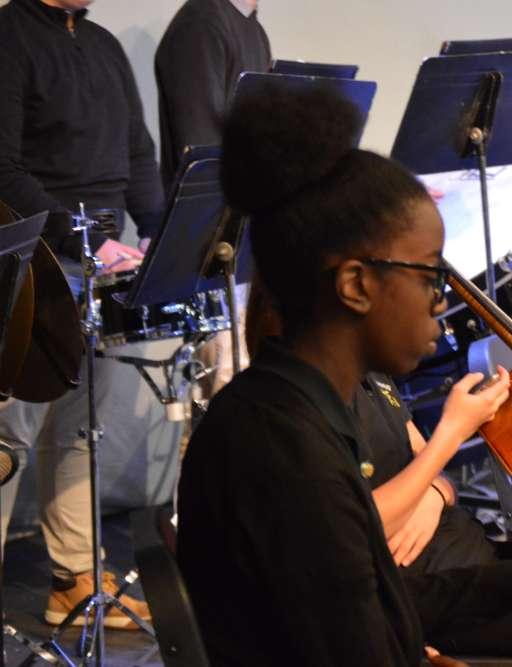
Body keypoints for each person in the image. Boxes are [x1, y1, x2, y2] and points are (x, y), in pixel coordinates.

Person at [177, 78, 512, 666]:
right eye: (431, 274)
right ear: (356, 285)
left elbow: (369, 596)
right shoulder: (280, 448)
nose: (442, 300)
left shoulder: (304, 407)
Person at [0, 0, 162, 628]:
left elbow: (139, 157)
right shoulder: (10, 36)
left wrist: (158, 233)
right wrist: (81, 239)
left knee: (79, 429)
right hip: (31, 266)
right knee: (9, 434)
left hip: (101, 266)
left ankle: (73, 579)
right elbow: (3, 167)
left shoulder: (101, 45)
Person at [155, 0, 271, 392]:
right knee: (227, 388)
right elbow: (204, 153)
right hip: (214, 245)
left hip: (244, 243)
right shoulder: (201, 25)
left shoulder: (252, 29)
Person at [155, 0, 271, 192]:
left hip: (240, 203)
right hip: (208, 209)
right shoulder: (201, 23)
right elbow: (201, 141)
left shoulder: (255, 29)